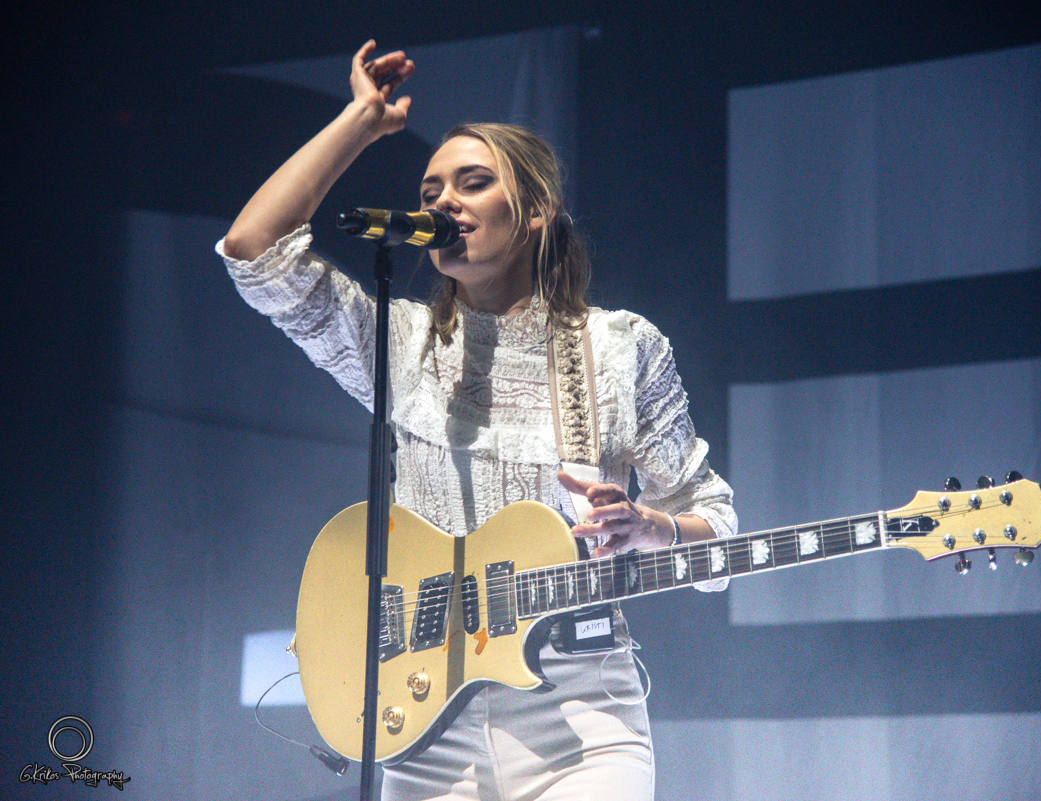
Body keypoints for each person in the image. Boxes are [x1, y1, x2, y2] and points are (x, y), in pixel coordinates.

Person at [218, 40, 736, 801]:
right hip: (425, 721)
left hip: (581, 715)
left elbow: (715, 521)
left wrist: (653, 526)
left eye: (473, 183)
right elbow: (253, 251)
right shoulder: (401, 343)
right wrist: (361, 122)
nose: (444, 203)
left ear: (536, 211)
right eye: (431, 190)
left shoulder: (618, 348)